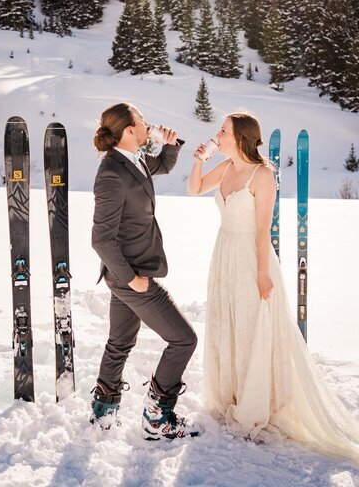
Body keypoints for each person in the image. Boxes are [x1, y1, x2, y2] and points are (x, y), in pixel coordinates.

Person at [188, 112, 359, 464]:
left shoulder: (262, 175)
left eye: (223, 131)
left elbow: (263, 229)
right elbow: (194, 188)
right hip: (224, 255)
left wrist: (263, 275)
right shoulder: (225, 168)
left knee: (253, 328)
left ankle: (257, 402)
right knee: (229, 325)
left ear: (240, 138)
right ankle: (231, 396)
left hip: (253, 259)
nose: (217, 136)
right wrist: (199, 160)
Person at [90, 102, 200, 440]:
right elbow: (101, 239)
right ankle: (158, 416)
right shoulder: (111, 173)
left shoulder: (134, 161)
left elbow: (163, 166)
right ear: (128, 129)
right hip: (131, 275)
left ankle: (103, 412)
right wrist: (132, 279)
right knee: (184, 339)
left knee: (120, 341)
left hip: (130, 272)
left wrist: (170, 143)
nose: (148, 123)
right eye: (142, 120)